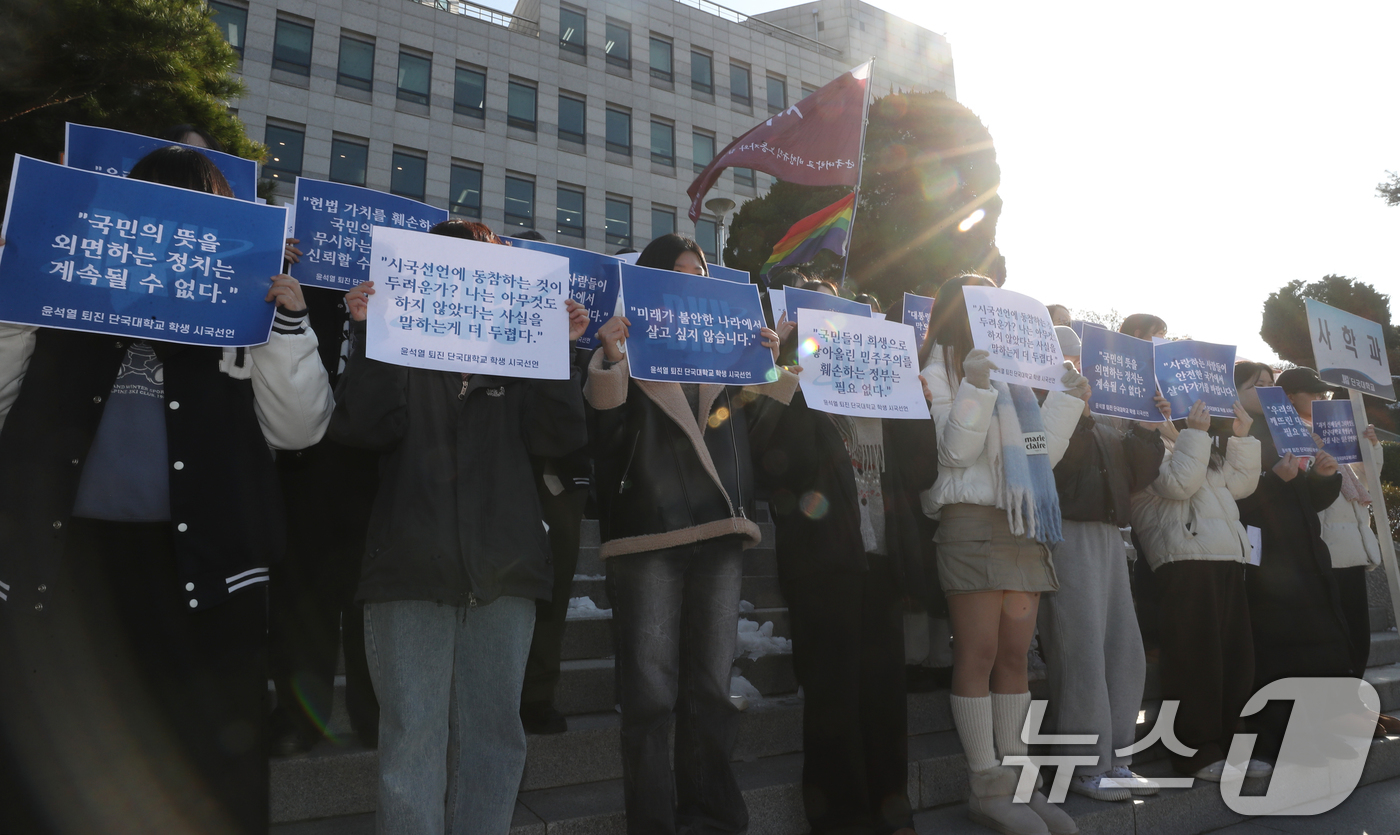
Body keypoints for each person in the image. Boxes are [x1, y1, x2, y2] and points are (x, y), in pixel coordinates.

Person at [0, 146, 335, 834]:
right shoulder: (66, 291)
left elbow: (299, 430)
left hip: (205, 580)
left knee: (201, 771)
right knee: (58, 770)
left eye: (199, 208)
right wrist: (12, 299)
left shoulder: (244, 306)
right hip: (69, 575)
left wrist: (285, 323)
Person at [331, 220, 591, 835]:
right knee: (411, 739)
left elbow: (562, 439)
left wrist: (558, 349)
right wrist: (370, 334)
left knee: (495, 737)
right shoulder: (398, 350)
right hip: (409, 568)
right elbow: (361, 429)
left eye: (489, 268)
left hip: (505, 569)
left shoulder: (524, 357)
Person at [585, 233, 796, 835]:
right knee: (650, 693)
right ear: (650, 278)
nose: (689, 279)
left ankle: (712, 812)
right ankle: (652, 820)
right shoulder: (623, 341)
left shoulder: (726, 346)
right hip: (648, 534)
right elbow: (600, 438)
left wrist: (769, 362)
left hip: (721, 530)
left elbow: (760, 439)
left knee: (711, 685)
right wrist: (609, 361)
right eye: (675, 270)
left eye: (698, 271)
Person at [920, 275, 1085, 835]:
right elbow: (953, 452)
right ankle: (986, 784)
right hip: (969, 521)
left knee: (1016, 656)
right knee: (980, 652)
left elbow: (1043, 457)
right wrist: (974, 387)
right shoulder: (936, 370)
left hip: (1022, 522)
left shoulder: (1019, 384)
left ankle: (1020, 781)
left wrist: (1064, 400)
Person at [757, 332, 938, 835]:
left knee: (885, 694)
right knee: (833, 697)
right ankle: (842, 819)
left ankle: (892, 810)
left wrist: (919, 406)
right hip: (822, 565)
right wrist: (789, 389)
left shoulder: (887, 399)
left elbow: (923, 470)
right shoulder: (798, 399)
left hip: (881, 563)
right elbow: (780, 469)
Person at [267, 214, 380, 754]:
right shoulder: (297, 276)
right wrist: (271, 258)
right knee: (301, 597)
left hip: (377, 470)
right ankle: (298, 716)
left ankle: (374, 713)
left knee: (369, 603)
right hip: (303, 462)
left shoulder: (400, 295)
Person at [1036, 372, 1165, 801]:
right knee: (1081, 649)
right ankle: (1085, 765)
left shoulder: (1106, 420)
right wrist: (1073, 411)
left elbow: (1137, 475)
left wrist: (1146, 430)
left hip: (1109, 532)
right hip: (1064, 530)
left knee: (1123, 650)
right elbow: (1051, 466)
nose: (1076, 370)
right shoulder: (1041, 406)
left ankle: (1118, 759)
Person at [1129, 396, 1272, 781]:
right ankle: (1195, 752)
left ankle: (1232, 747)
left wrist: (1242, 438)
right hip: (1183, 557)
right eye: (1156, 398)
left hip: (1224, 556)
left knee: (1235, 660)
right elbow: (1177, 485)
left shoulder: (1188, 438)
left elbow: (1239, 486)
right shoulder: (1143, 440)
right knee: (1197, 659)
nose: (1163, 404)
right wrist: (1194, 433)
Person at [1233, 362, 1353, 760]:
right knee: (1280, 656)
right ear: (1236, 392)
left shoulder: (1289, 431)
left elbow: (1307, 502)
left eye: (1273, 384)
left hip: (1306, 559)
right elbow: (1238, 502)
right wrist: (1274, 482)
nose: (1271, 392)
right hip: (1269, 567)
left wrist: (1322, 476)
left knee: (1320, 649)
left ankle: (1320, 733)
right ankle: (1278, 742)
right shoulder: (1235, 431)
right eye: (1259, 385)